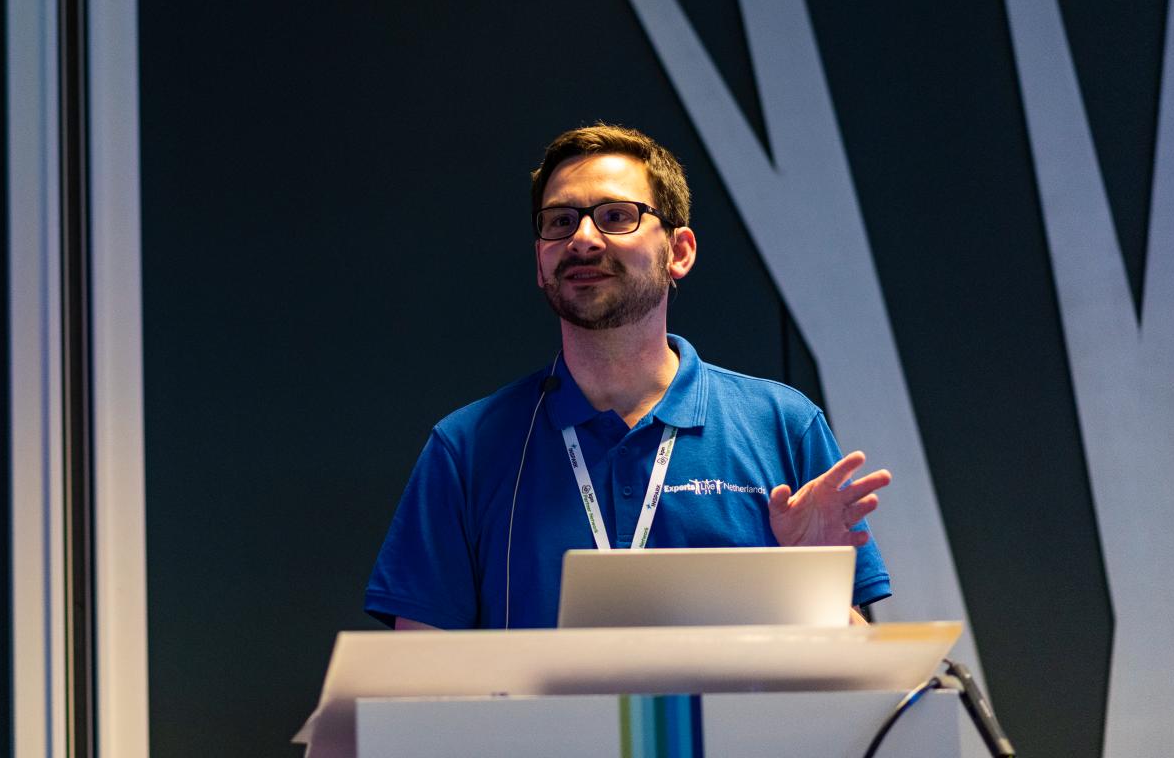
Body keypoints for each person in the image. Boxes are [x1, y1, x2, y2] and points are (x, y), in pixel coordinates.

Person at [365, 123, 891, 630]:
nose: (582, 239)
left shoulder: (783, 425)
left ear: (678, 252)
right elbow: (419, 672)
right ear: (540, 262)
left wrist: (811, 593)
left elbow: (858, 667)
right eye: (559, 221)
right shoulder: (466, 448)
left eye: (616, 216)